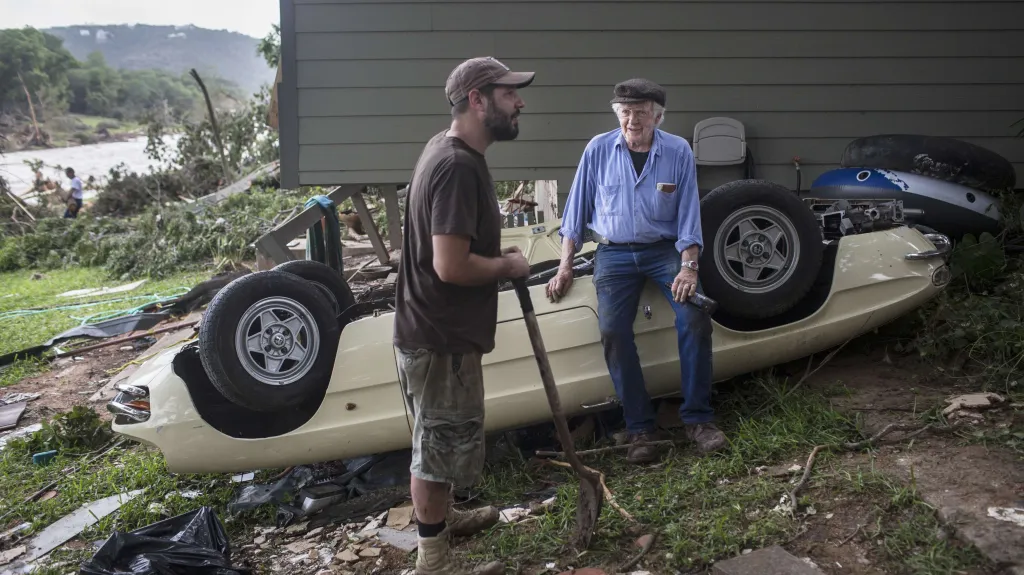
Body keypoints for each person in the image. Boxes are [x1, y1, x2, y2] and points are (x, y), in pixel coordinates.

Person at [392, 56, 535, 575]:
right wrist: (507, 265)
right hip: (439, 337)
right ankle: (434, 563)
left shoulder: (447, 148)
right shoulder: (455, 166)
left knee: (440, 437)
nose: (520, 102)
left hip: (433, 331)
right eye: (508, 93)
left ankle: (444, 519)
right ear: (477, 100)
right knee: (435, 449)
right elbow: (449, 265)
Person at [545, 78, 728, 464]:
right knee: (612, 330)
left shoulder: (678, 151)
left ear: (657, 117)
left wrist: (689, 267)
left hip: (664, 250)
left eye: (641, 113)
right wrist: (564, 266)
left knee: (694, 318)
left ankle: (698, 419)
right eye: (626, 112)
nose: (632, 120)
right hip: (612, 254)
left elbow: (689, 216)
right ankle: (640, 428)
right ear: (618, 114)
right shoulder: (598, 149)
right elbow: (575, 214)